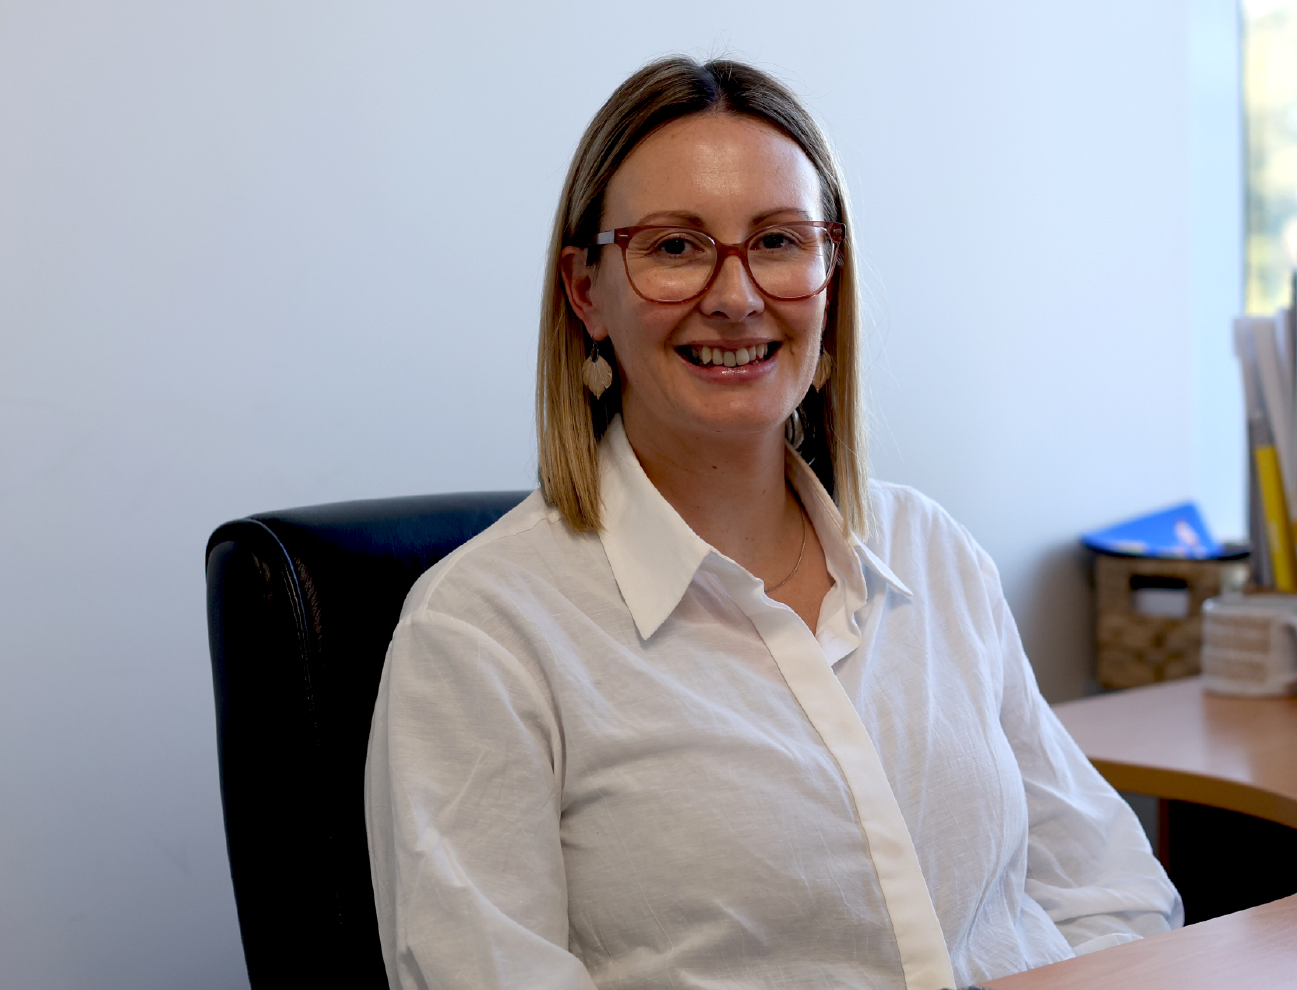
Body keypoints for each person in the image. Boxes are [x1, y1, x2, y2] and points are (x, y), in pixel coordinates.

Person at [364, 56, 1182, 990]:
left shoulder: (931, 551)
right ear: (587, 292)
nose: (736, 294)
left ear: (831, 278)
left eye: (780, 241)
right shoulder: (480, 632)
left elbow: (1108, 890)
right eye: (674, 246)